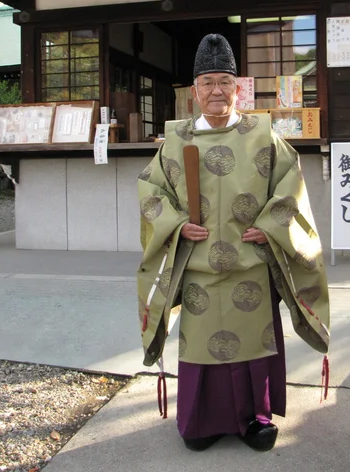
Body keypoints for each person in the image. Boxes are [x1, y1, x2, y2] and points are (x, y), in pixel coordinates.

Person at [138, 34, 330, 452]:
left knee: (251, 348)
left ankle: (255, 421)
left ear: (238, 87)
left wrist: (270, 225)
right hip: (199, 267)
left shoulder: (263, 136)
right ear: (195, 91)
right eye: (207, 82)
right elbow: (151, 192)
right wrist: (175, 225)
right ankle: (201, 422)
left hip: (250, 264)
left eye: (224, 81)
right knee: (200, 349)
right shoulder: (176, 140)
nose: (216, 91)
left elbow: (290, 186)